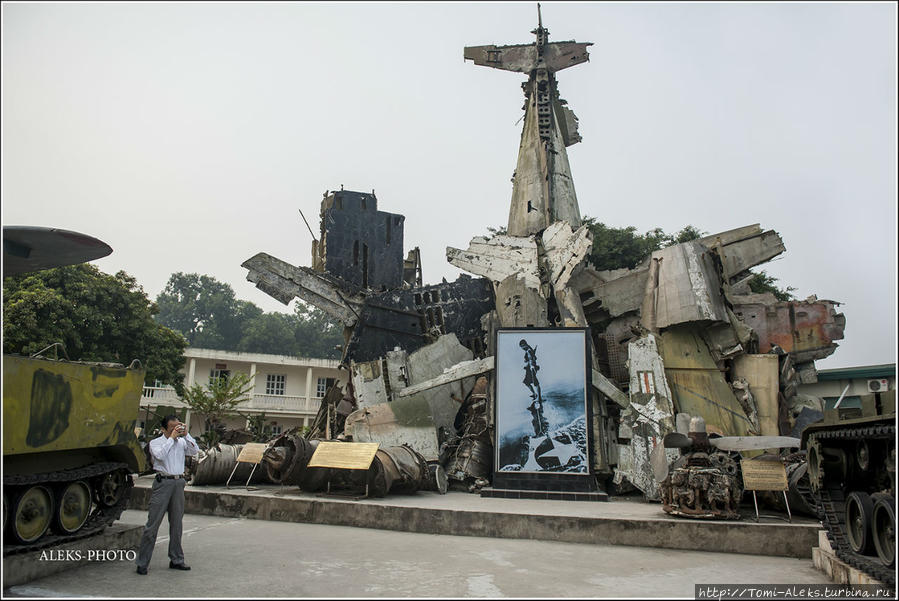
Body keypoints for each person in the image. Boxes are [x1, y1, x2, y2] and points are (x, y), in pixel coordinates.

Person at [135, 415, 198, 575]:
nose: (176, 430)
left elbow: (194, 450)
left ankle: (177, 559)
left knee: (177, 524)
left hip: (178, 483)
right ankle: (143, 562)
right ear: (163, 429)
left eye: (178, 427)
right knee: (153, 524)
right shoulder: (156, 443)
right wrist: (171, 438)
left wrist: (185, 434)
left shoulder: (182, 442)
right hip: (163, 482)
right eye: (172, 428)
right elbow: (160, 456)